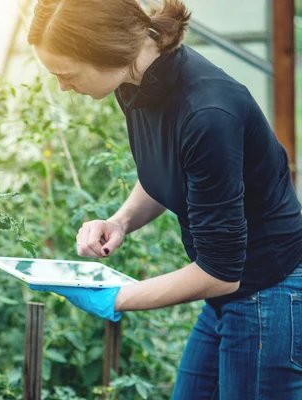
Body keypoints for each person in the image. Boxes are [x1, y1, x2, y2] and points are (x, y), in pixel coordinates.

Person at [25, 0, 302, 398]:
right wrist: (120, 221)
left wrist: (114, 297)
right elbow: (168, 170)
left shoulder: (206, 113)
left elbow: (220, 274)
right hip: (229, 293)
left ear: (109, 52)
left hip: (270, 291)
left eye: (66, 74)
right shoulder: (135, 82)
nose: (62, 86)